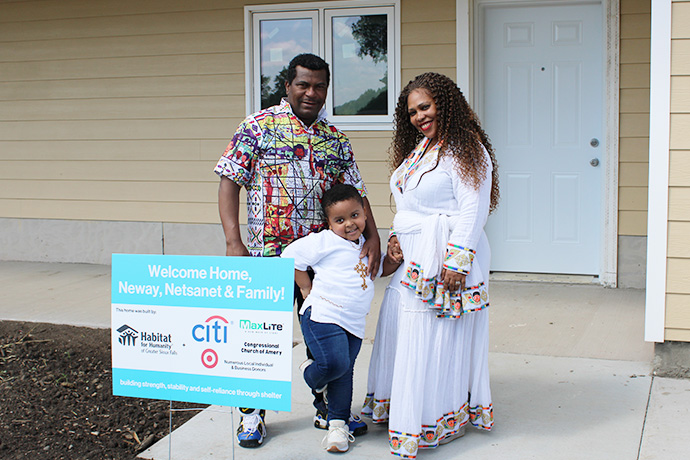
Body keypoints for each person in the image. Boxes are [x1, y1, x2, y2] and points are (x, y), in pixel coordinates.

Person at [214, 53, 381, 448]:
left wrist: (372, 234)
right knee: (255, 341)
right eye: (303, 84)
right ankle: (251, 417)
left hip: (321, 264)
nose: (311, 92)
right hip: (265, 257)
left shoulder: (335, 138)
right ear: (287, 86)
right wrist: (233, 241)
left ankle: (328, 409)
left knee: (326, 340)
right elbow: (228, 182)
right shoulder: (257, 127)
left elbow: (357, 193)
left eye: (319, 86)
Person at [361, 72, 500, 458]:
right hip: (415, 255)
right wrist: (396, 237)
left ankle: (431, 418)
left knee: (435, 336)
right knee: (405, 328)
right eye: (411, 112)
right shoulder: (422, 148)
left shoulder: (465, 148)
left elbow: (473, 210)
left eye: (425, 107)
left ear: (445, 103)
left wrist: (457, 261)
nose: (419, 116)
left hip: (447, 256)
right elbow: (411, 205)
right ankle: (406, 408)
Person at [281, 184, 400, 453]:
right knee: (335, 364)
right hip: (323, 314)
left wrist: (393, 259)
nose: (349, 224)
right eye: (340, 220)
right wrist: (304, 287)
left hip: (354, 322)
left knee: (344, 373)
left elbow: (380, 268)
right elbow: (290, 256)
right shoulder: (325, 241)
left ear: (365, 215)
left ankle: (337, 427)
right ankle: (312, 373)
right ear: (330, 223)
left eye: (355, 215)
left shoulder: (365, 246)